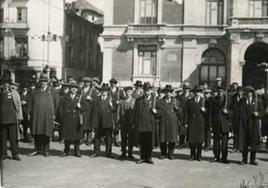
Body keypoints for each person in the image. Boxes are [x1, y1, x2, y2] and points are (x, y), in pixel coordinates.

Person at [27, 74, 59, 157]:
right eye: (41, 81)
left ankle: (46, 150)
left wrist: (55, 115)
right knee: (36, 132)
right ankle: (37, 149)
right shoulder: (35, 91)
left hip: (47, 116)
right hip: (36, 115)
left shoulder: (53, 91)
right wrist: (28, 113)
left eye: (44, 81)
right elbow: (30, 103)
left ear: (48, 81)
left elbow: (57, 104)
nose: (43, 83)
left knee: (46, 132)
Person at [134, 82, 159, 164]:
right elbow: (136, 113)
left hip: (150, 124)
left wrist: (156, 112)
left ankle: (149, 157)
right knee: (142, 142)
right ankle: (142, 157)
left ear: (151, 91)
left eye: (148, 90)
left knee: (150, 142)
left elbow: (160, 112)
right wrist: (135, 123)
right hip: (141, 124)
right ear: (143, 91)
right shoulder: (139, 101)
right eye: (145, 90)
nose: (146, 92)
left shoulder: (155, 100)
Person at [239, 86, 264, 165]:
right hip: (244, 124)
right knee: (244, 142)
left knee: (253, 142)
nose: (248, 94)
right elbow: (239, 111)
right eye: (246, 92)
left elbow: (263, 112)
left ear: (252, 93)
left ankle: (252, 160)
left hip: (253, 124)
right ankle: (244, 159)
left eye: (250, 92)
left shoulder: (258, 101)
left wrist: (258, 114)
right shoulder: (242, 100)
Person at [0, 76, 23, 161]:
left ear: (10, 84)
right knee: (3, 137)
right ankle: (3, 153)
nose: (5, 85)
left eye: (7, 83)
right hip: (2, 119)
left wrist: (20, 117)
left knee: (13, 138)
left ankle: (15, 153)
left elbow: (18, 105)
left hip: (12, 118)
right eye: (3, 83)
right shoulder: (0, 92)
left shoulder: (14, 92)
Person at [155, 85, 181, 160]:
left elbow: (180, 112)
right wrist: (158, 112)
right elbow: (157, 112)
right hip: (163, 122)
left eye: (169, 92)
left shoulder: (176, 101)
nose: (168, 94)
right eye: (166, 92)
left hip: (173, 123)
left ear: (172, 93)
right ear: (164, 93)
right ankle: (163, 153)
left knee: (172, 140)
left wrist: (177, 109)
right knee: (163, 139)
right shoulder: (159, 102)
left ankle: (170, 154)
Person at [58, 80, 83, 157]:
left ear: (77, 89)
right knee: (67, 136)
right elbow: (60, 108)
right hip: (67, 119)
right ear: (69, 88)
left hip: (76, 119)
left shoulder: (80, 97)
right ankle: (66, 151)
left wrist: (80, 107)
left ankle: (77, 151)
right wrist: (62, 117)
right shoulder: (64, 97)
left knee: (77, 137)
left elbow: (87, 107)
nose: (73, 89)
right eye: (72, 87)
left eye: (75, 88)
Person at [91, 83, 114, 158]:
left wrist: (112, 106)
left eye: (105, 91)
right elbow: (94, 110)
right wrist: (93, 122)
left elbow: (115, 110)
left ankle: (108, 153)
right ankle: (96, 152)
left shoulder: (111, 99)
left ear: (107, 91)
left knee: (108, 138)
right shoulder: (97, 99)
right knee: (97, 137)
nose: (104, 92)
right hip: (98, 121)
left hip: (107, 121)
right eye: (102, 90)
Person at [184, 86, 205, 161]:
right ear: (193, 93)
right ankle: (192, 155)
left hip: (200, 123)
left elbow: (208, 114)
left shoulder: (204, 101)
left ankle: (199, 156)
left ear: (200, 93)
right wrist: (185, 122)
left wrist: (204, 110)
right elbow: (186, 113)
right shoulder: (189, 102)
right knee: (192, 140)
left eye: (198, 92)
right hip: (192, 122)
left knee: (200, 141)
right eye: (195, 92)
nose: (197, 93)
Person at [210, 86, 231, 164]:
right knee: (216, 141)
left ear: (224, 92)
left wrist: (227, 112)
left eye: (221, 91)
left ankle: (224, 157)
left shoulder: (227, 101)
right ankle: (216, 156)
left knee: (225, 142)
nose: (220, 93)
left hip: (225, 124)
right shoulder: (213, 100)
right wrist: (211, 124)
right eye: (218, 92)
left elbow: (233, 111)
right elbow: (211, 113)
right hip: (216, 123)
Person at [119, 86, 136, 159]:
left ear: (132, 92)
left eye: (129, 92)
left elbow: (135, 113)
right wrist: (118, 122)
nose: (127, 93)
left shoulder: (135, 101)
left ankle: (130, 153)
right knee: (123, 139)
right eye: (126, 92)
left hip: (131, 123)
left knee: (131, 139)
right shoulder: (122, 101)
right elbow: (119, 112)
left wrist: (134, 123)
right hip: (123, 123)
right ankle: (123, 153)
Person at [80, 77, 98, 146]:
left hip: (90, 110)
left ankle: (89, 140)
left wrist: (91, 99)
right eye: (85, 82)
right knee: (82, 125)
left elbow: (96, 100)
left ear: (90, 83)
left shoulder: (92, 90)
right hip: (82, 109)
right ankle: (81, 139)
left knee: (89, 126)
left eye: (88, 82)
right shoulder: (81, 89)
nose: (86, 83)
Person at [109, 78, 125, 147]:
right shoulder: (108, 90)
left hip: (117, 111)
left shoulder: (120, 91)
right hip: (109, 110)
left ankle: (117, 141)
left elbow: (124, 99)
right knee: (109, 125)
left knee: (116, 126)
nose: (112, 85)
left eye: (114, 83)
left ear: (116, 84)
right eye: (111, 83)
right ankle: (110, 140)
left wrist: (120, 102)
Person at [230, 86, 244, 152]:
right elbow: (232, 106)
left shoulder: (244, 98)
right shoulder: (234, 97)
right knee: (235, 133)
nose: (240, 93)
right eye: (239, 91)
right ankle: (235, 147)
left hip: (242, 118)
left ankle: (240, 147)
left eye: (241, 91)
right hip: (235, 117)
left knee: (241, 133)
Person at [178, 83, 192, 149]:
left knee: (189, 129)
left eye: (187, 89)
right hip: (182, 114)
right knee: (182, 129)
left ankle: (188, 143)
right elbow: (178, 105)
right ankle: (181, 143)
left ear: (189, 89)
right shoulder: (180, 97)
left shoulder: (191, 96)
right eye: (185, 89)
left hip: (189, 114)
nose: (186, 90)